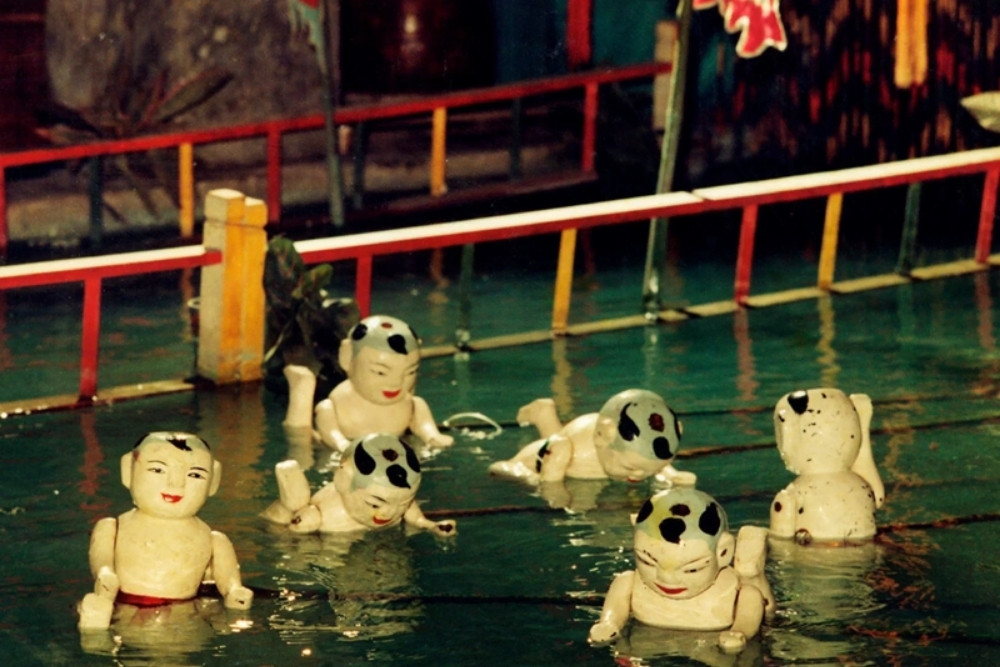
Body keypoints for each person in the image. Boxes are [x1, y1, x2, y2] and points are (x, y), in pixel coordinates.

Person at [77, 432, 252, 630]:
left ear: (213, 480)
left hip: (183, 614)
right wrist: (106, 577)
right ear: (129, 471)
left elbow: (230, 584)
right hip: (122, 609)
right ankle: (96, 632)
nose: (176, 484)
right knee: (99, 624)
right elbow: (103, 566)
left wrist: (235, 592)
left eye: (194, 475)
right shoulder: (113, 528)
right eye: (158, 470)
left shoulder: (212, 539)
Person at [588, 488, 774, 654]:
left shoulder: (737, 593)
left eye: (692, 569)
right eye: (647, 562)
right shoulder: (629, 584)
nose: (665, 578)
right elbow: (612, 616)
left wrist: (740, 632)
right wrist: (609, 623)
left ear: (723, 553)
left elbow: (754, 617)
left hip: (711, 655)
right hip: (645, 648)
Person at [284, 314, 453, 452]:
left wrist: (431, 436)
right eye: (380, 372)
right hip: (339, 454)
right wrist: (342, 444)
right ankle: (301, 388)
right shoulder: (335, 405)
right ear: (347, 357)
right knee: (304, 434)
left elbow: (423, 424)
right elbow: (329, 431)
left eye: (410, 372)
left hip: (393, 451)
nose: (397, 382)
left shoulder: (411, 404)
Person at [263, 433, 457, 537]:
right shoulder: (325, 516)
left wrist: (431, 526)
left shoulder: (397, 498)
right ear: (343, 481)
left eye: (403, 504)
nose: (389, 514)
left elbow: (414, 517)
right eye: (375, 504)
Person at [489, 389, 693, 486]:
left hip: (579, 431)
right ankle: (544, 414)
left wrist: (670, 475)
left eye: (649, 469)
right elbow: (556, 450)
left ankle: (545, 414)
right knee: (508, 466)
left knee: (558, 433)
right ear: (602, 439)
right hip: (548, 453)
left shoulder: (632, 452)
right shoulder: (577, 453)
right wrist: (549, 486)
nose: (640, 475)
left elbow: (651, 460)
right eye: (630, 468)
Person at [769, 388, 885, 545]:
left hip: (813, 563)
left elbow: (780, 543)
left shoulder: (793, 494)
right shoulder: (861, 486)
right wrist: (863, 429)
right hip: (865, 557)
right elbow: (878, 497)